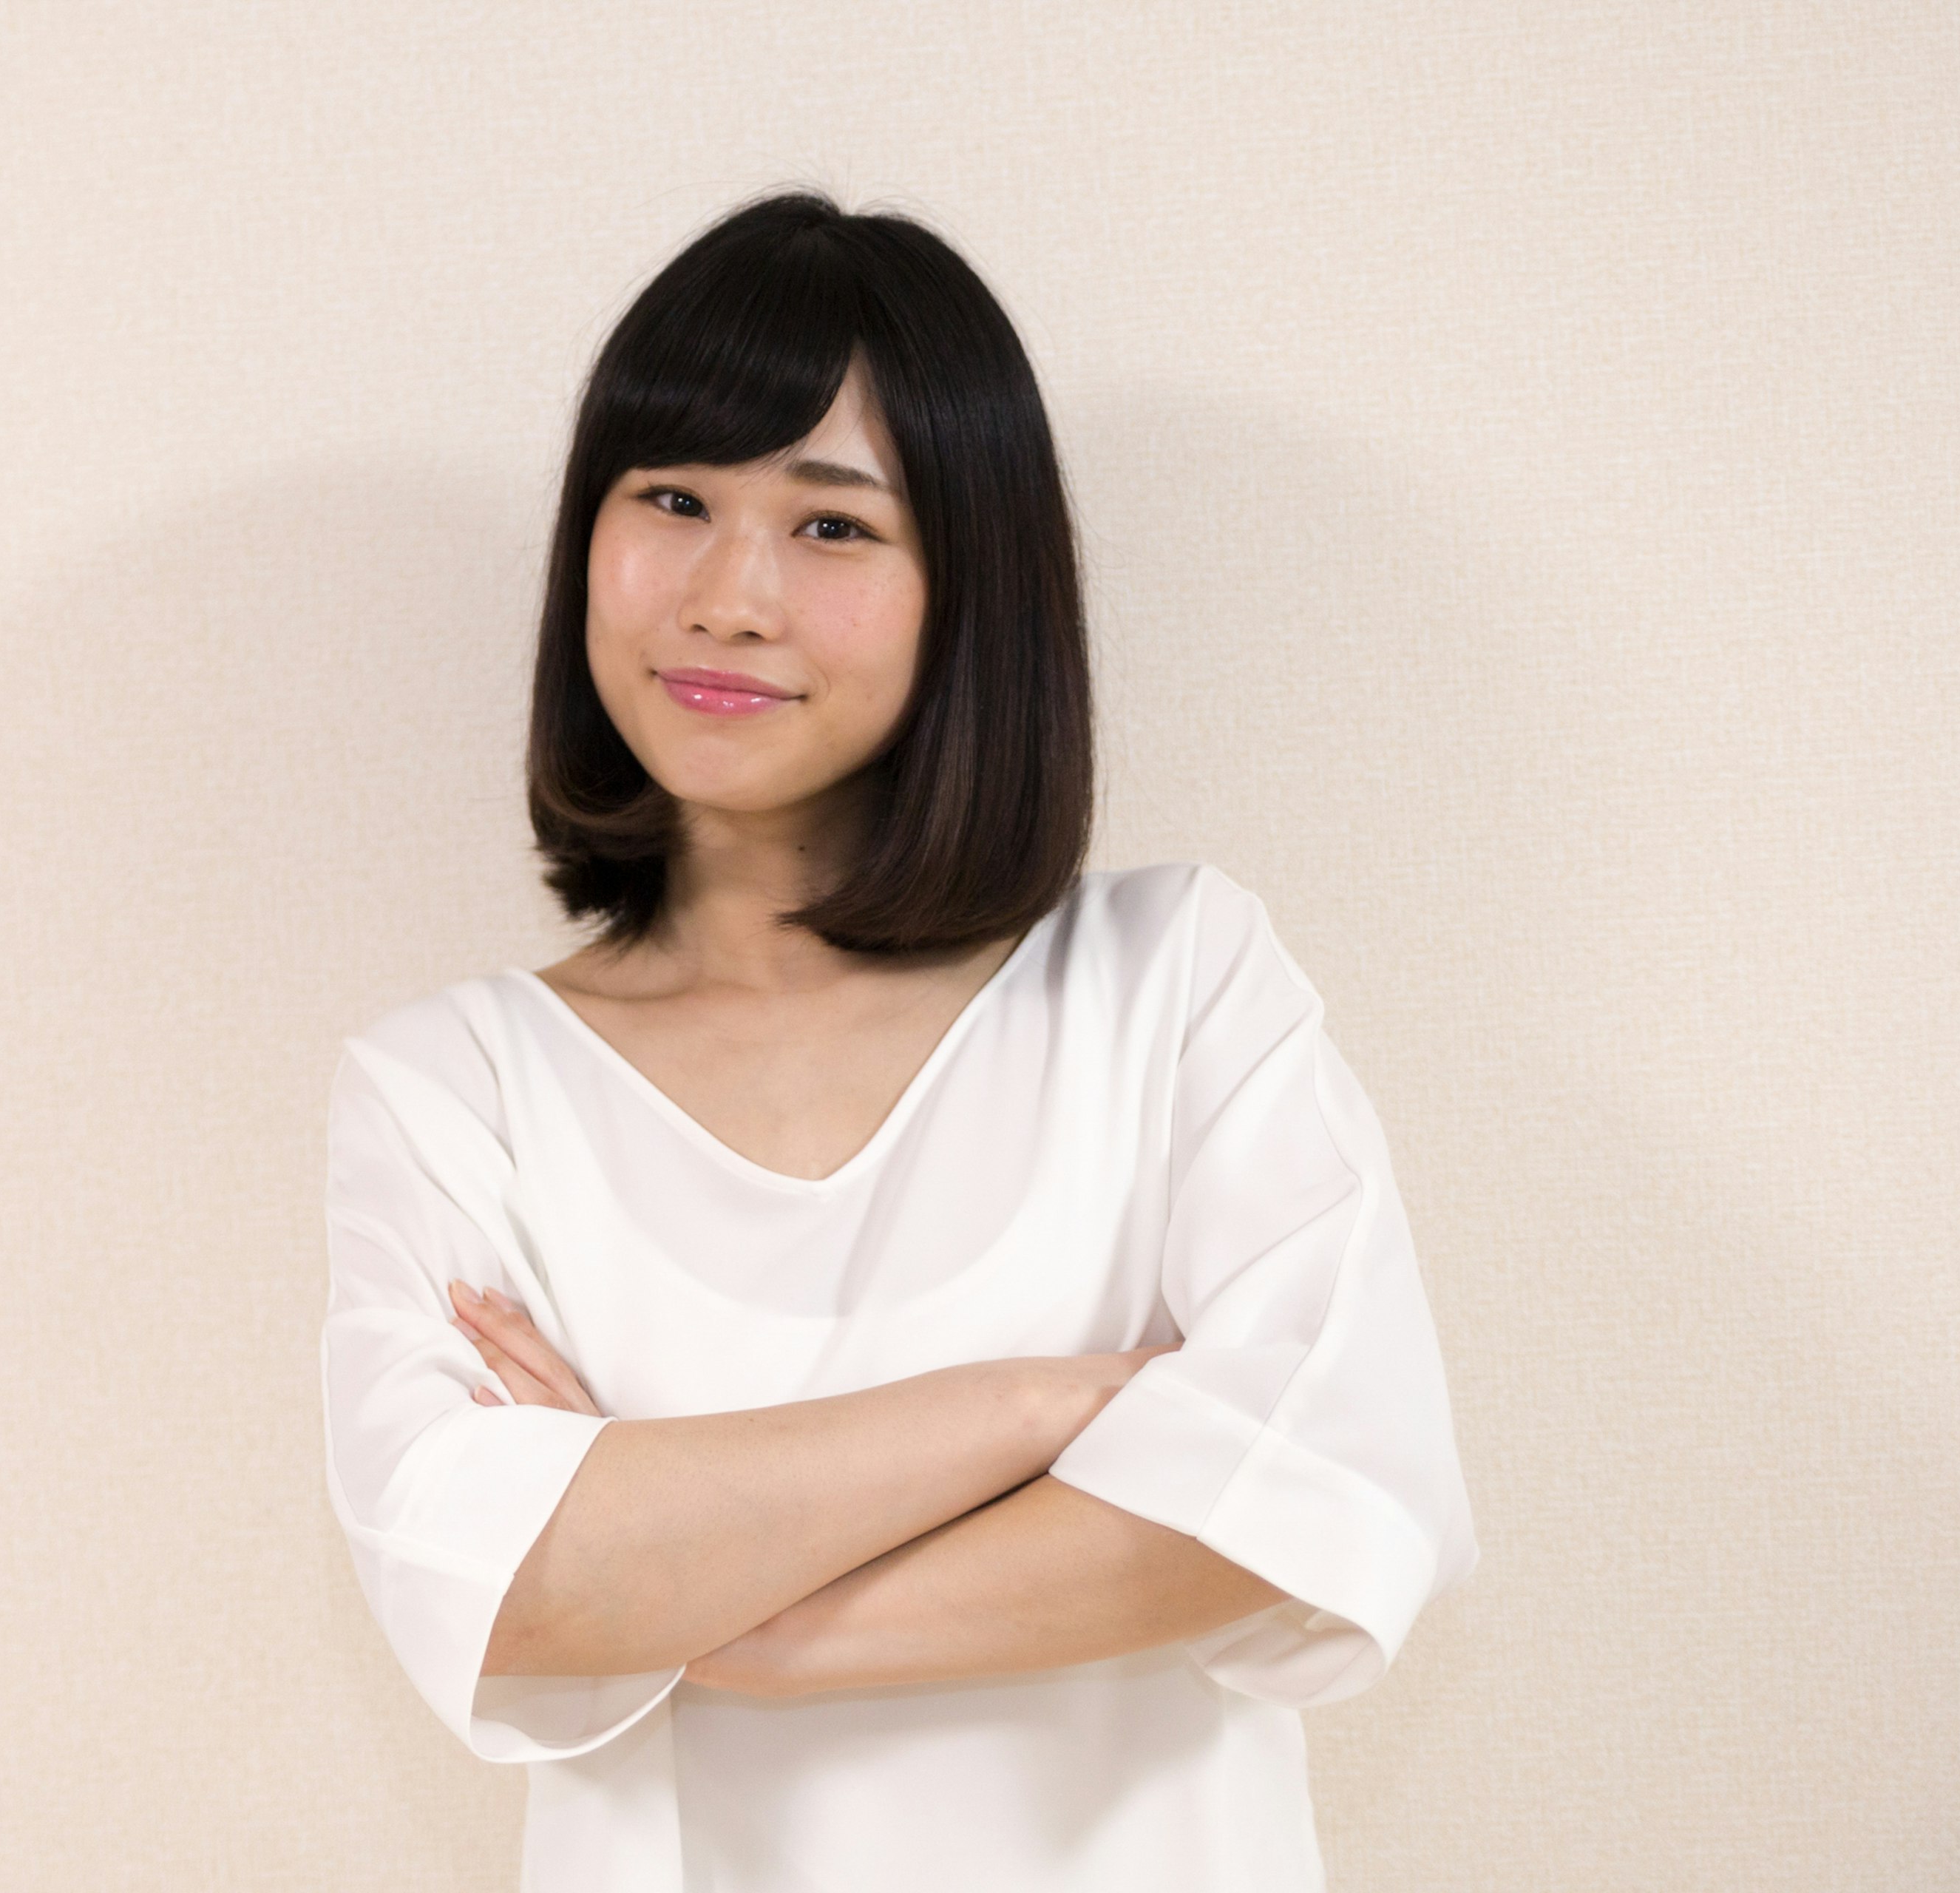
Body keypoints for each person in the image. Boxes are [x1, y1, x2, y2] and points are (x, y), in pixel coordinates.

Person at [317, 189, 1477, 1892]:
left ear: (970, 582)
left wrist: (715, 1602)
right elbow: (504, 1588)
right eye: (671, 501)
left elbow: (1325, 1495)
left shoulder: (1174, 985)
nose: (728, 594)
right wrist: (1055, 1401)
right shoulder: (451, 1089)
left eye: (834, 526)